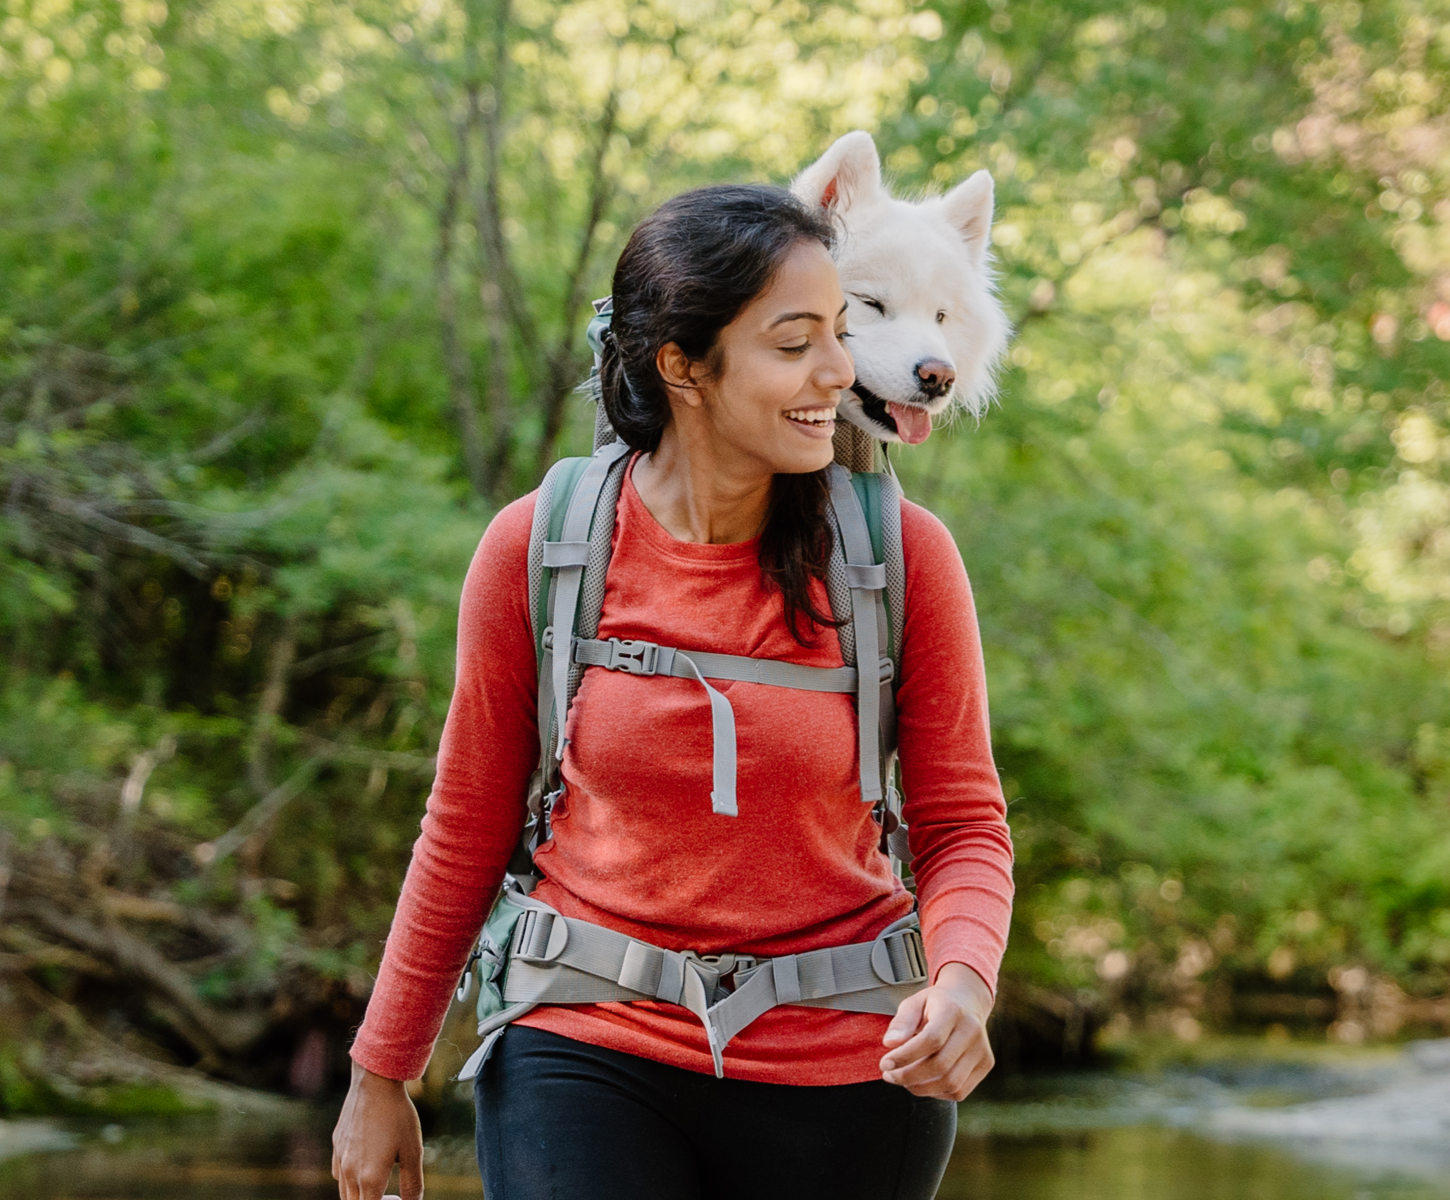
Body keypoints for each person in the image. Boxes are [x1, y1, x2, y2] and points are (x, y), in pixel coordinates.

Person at [331, 184, 1014, 1200]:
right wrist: (380, 1069)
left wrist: (962, 982)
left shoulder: (901, 558)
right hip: (583, 1044)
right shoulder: (544, 545)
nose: (838, 369)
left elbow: (963, 824)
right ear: (683, 366)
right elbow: (465, 822)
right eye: (795, 344)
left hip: (852, 1070)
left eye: (840, 331)